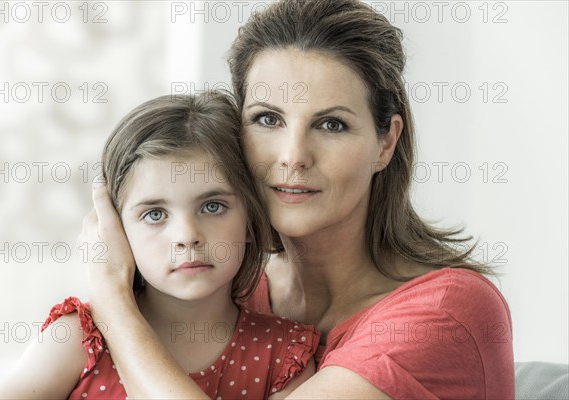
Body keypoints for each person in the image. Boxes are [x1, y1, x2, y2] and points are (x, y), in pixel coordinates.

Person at [79, 0, 515, 398]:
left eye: (331, 125)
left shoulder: (445, 314)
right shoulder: (230, 287)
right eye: (267, 119)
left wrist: (110, 298)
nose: (293, 157)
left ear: (386, 143)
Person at [0, 92, 320, 400]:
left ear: (250, 219)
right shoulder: (78, 339)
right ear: (116, 231)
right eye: (155, 214)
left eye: (213, 206)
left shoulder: (284, 355)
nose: (187, 235)